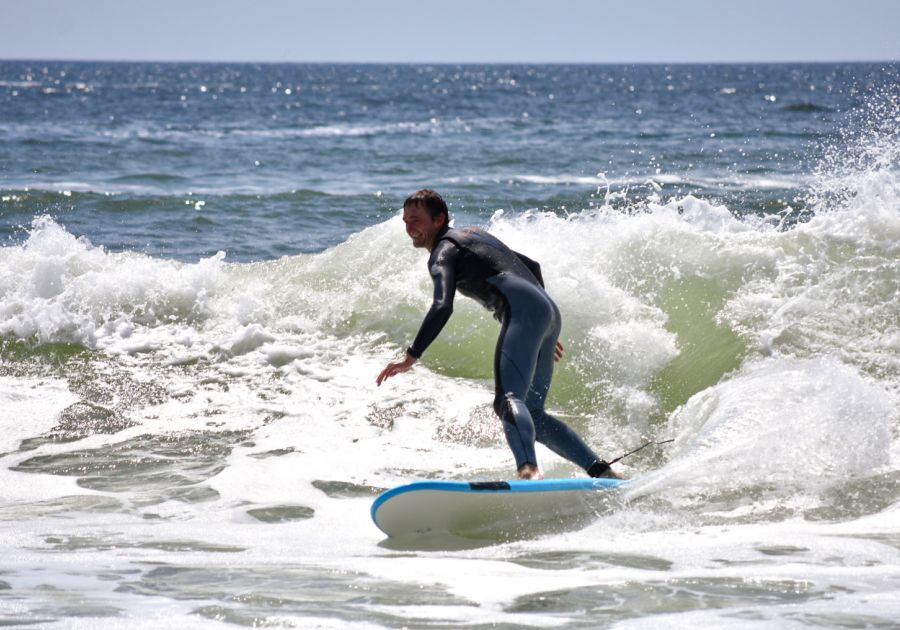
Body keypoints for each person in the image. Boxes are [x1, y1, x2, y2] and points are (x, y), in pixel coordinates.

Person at [377, 189, 621, 480]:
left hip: (526, 312)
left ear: (439, 219)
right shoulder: (474, 235)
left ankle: (528, 470)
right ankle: (601, 471)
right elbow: (532, 266)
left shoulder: (443, 251)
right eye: (405, 221)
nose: (409, 229)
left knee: (507, 399)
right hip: (547, 311)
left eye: (416, 220)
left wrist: (411, 355)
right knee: (533, 412)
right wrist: (542, 325)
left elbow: (442, 306)